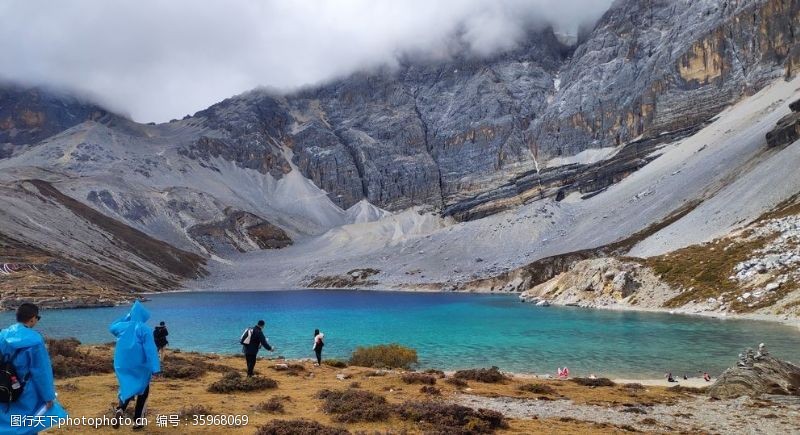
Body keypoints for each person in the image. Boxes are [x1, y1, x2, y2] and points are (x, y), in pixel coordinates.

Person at [0, 303, 68, 434]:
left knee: (6, 421)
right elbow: (41, 371)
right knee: (29, 423)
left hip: (4, 384)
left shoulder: (2, 335)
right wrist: (48, 397)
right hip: (26, 391)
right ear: (32, 318)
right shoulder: (35, 340)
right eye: (38, 318)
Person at [110, 301, 160, 430]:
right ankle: (138, 421)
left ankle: (120, 408)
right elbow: (150, 349)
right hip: (140, 365)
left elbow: (112, 327)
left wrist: (127, 317)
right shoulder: (145, 329)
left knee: (127, 386)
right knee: (143, 390)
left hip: (122, 364)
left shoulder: (121, 326)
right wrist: (155, 368)